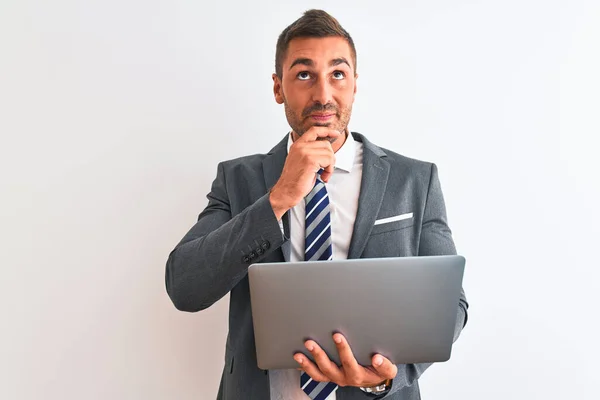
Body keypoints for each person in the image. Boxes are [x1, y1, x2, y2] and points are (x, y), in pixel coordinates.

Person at [165, 9, 468, 400]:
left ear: (355, 84)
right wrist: (277, 200)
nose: (324, 94)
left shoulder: (414, 180)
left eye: (338, 74)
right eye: (304, 74)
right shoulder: (237, 180)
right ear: (278, 88)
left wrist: (384, 376)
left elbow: (451, 306)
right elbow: (185, 288)